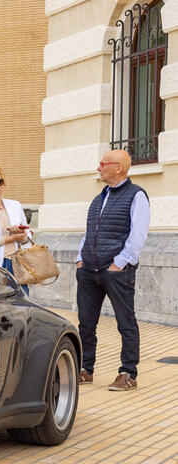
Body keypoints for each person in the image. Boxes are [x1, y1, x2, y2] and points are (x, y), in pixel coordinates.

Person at [76, 149, 148, 392]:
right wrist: (79, 259)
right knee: (86, 323)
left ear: (118, 167)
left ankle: (128, 373)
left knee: (125, 322)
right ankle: (85, 369)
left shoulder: (136, 195)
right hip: (88, 270)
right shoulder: (99, 198)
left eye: (103, 163)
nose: (99, 167)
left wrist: (121, 262)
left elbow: (138, 234)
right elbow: (89, 232)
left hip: (116, 271)